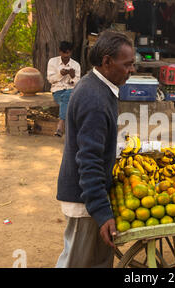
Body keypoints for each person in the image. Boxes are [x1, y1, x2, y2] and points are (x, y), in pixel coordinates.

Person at [55, 31, 135, 268]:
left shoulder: (98, 86)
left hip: (89, 196)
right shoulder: (95, 99)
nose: (132, 70)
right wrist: (102, 212)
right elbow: (88, 161)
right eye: (127, 64)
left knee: (97, 262)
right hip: (85, 200)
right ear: (107, 62)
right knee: (77, 263)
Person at [47, 41, 81, 137]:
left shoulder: (76, 65)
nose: (66, 55)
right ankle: (67, 126)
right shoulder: (52, 62)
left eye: (68, 53)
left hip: (71, 91)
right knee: (67, 97)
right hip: (58, 91)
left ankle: (60, 124)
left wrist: (73, 77)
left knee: (68, 95)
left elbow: (78, 83)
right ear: (59, 52)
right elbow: (50, 80)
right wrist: (60, 74)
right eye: (64, 52)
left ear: (71, 52)